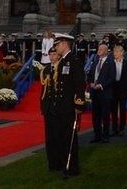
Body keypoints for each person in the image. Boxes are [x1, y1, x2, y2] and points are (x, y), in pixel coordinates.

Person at [43, 33, 85, 176]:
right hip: (60, 107)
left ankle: (72, 168)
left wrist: (79, 105)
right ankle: (62, 164)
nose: (55, 47)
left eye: (57, 44)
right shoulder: (62, 62)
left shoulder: (73, 61)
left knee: (70, 139)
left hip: (69, 107)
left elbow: (80, 85)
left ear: (64, 44)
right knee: (61, 138)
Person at [87, 43, 115, 143]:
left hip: (105, 93)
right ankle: (97, 135)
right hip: (94, 92)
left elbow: (112, 78)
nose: (98, 51)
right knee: (95, 115)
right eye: (98, 49)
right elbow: (90, 75)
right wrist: (90, 83)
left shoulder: (111, 62)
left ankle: (105, 135)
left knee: (105, 115)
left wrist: (101, 85)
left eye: (101, 49)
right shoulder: (95, 61)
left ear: (106, 51)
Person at [110, 45, 127, 136]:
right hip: (113, 89)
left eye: (116, 52)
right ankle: (115, 129)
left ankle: (122, 128)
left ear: (121, 53)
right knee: (114, 110)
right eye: (114, 52)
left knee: (123, 109)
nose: (114, 53)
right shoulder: (111, 63)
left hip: (123, 89)